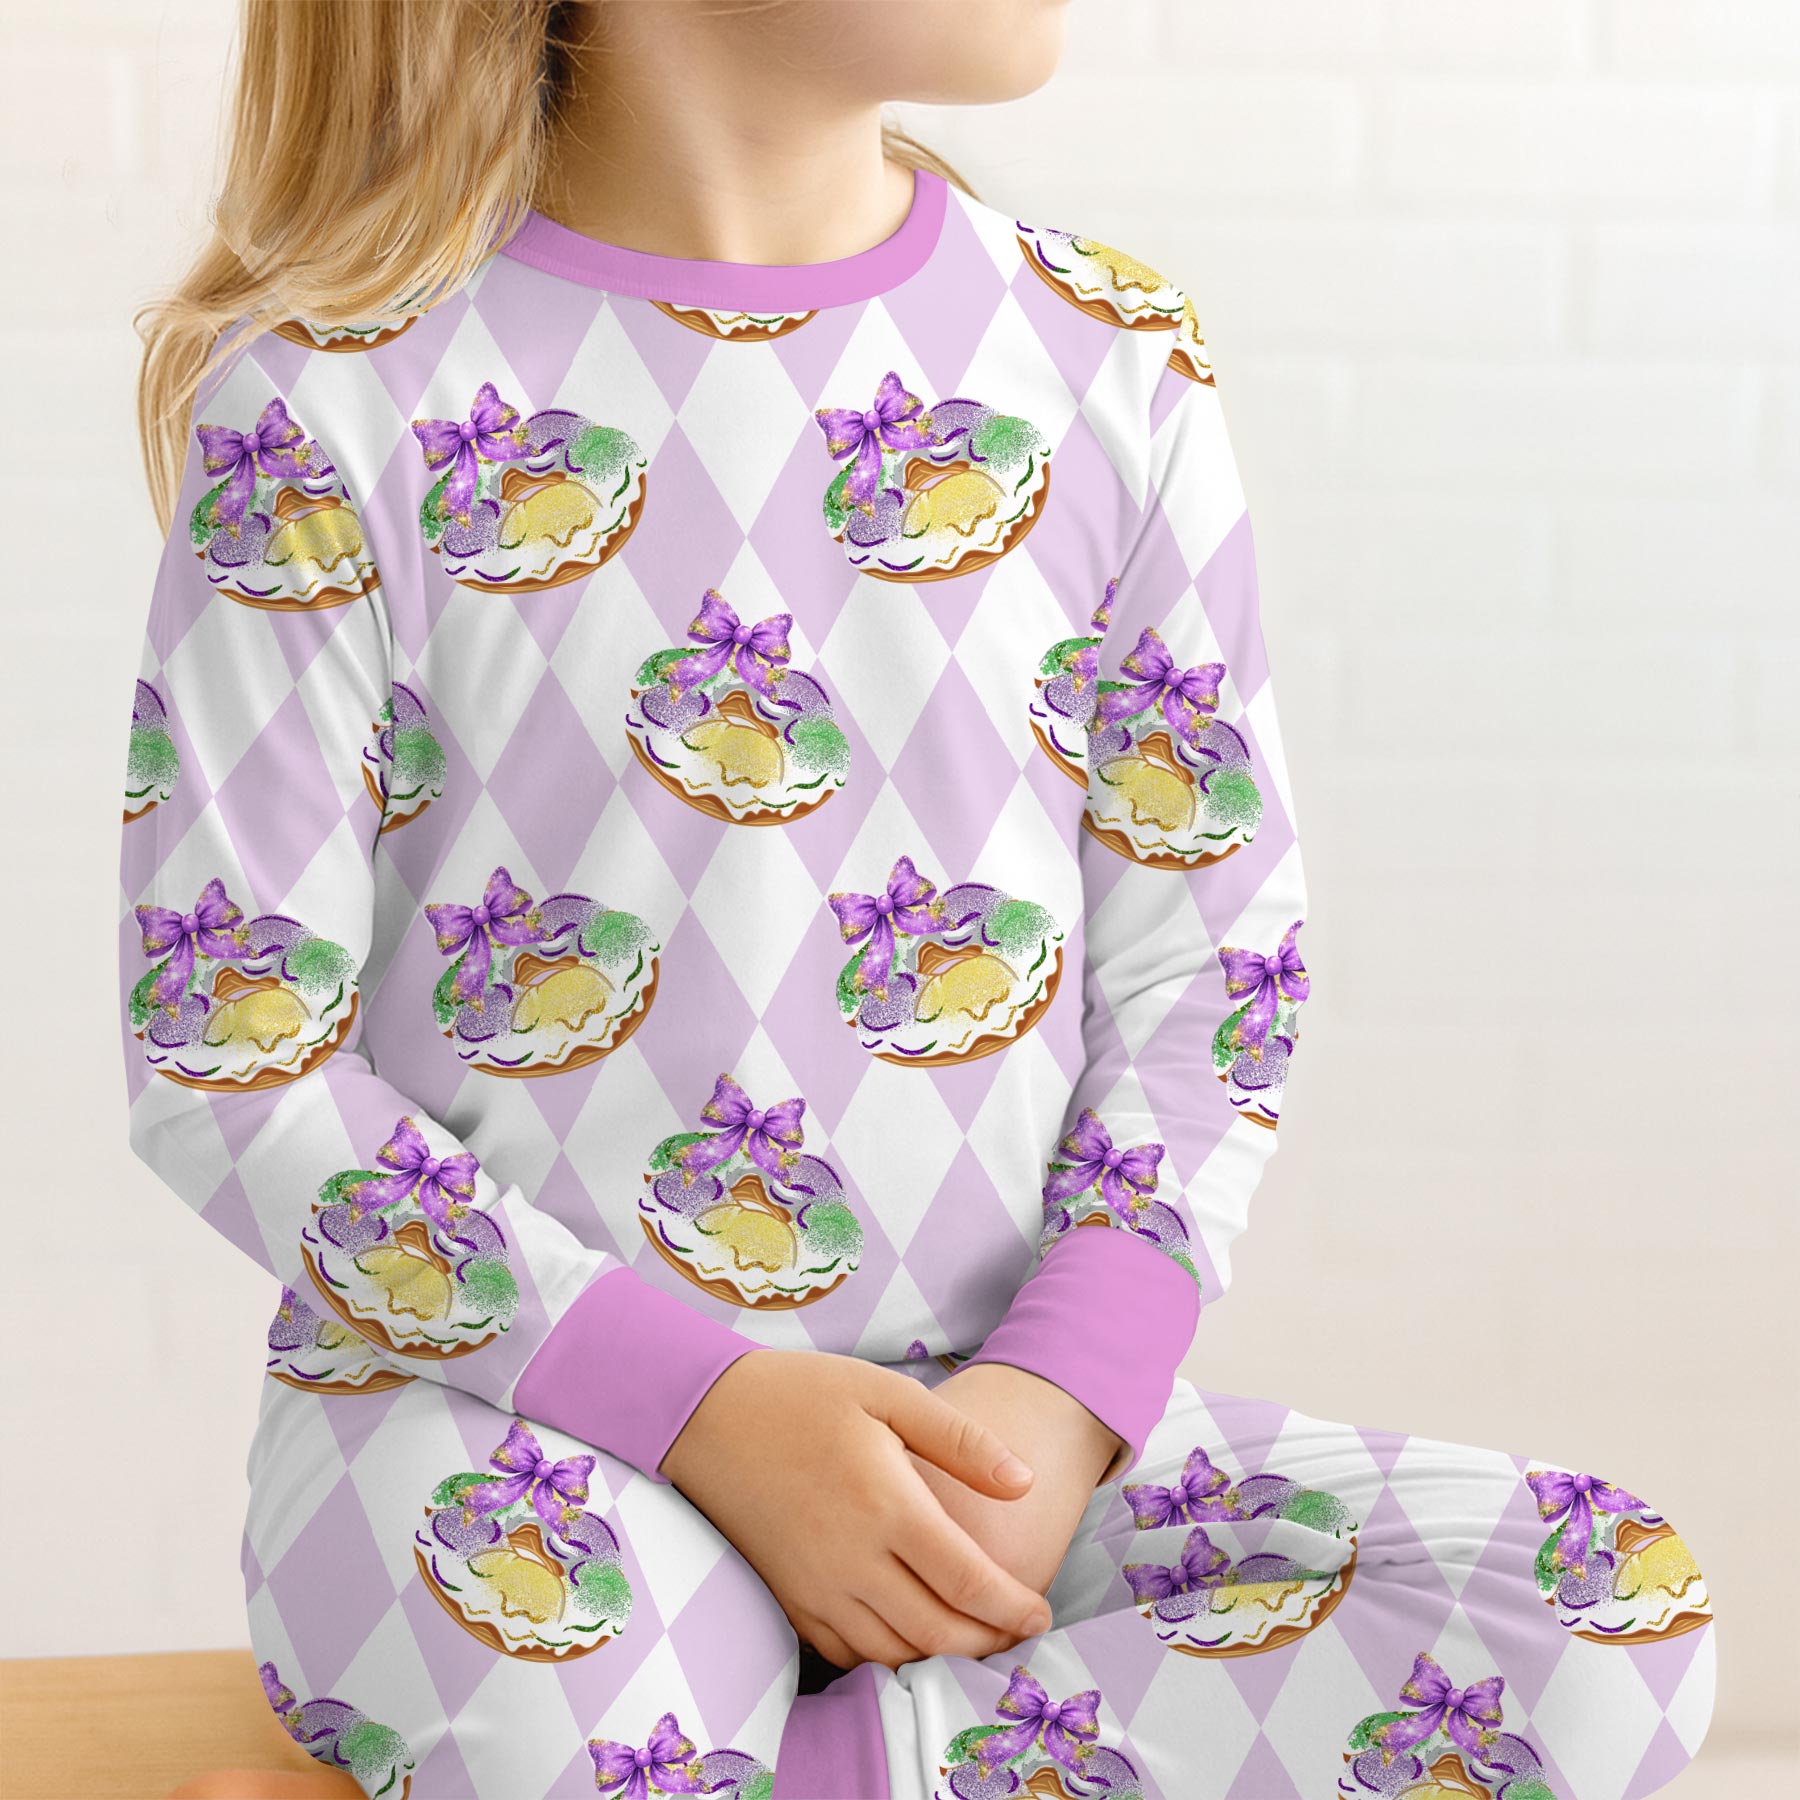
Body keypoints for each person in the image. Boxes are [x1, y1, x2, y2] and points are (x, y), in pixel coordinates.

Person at [133, 5, 1712, 1796]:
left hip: (991, 1443)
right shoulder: (328, 398)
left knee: (1611, 1622)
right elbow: (232, 1061)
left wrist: (1048, 1412)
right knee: (553, 1705)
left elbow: (1215, 974)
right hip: (504, 1435)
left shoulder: (1106, 354)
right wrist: (709, 1411)